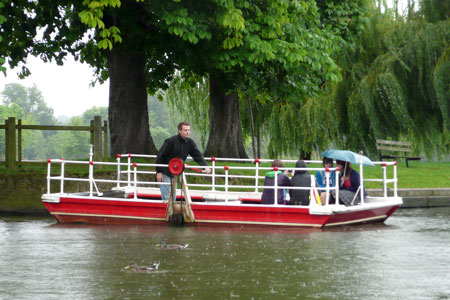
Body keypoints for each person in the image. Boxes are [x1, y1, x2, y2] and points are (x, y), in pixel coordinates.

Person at [156, 122, 211, 200]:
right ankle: (167, 211)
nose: (187, 132)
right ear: (179, 130)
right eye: (185, 130)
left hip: (176, 171)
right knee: (167, 198)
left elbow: (197, 155)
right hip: (165, 171)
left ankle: (172, 211)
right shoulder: (170, 141)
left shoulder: (190, 143)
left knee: (173, 196)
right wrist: (159, 172)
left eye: (189, 130)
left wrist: (205, 166)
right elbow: (160, 156)